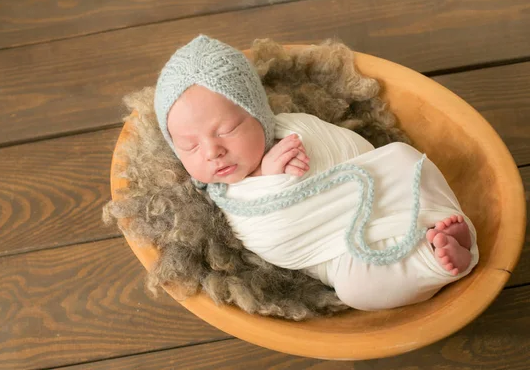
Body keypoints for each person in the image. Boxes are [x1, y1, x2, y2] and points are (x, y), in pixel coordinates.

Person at [154, 35, 479, 311]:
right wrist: (271, 180)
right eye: (190, 147)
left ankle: (440, 223)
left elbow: (355, 152)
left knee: (404, 159)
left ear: (259, 113)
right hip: (335, 252)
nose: (212, 152)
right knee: (356, 290)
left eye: (228, 129)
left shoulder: (293, 131)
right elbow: (270, 234)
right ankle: (433, 261)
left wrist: (294, 163)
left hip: (383, 192)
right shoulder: (222, 196)